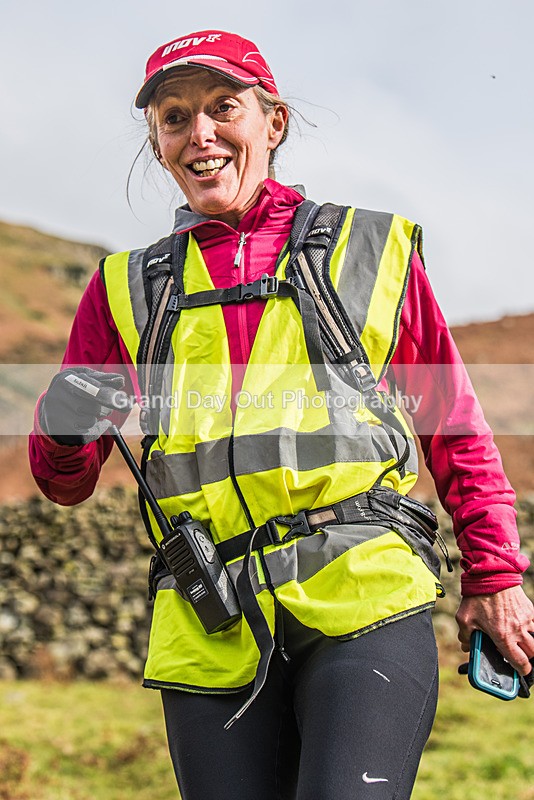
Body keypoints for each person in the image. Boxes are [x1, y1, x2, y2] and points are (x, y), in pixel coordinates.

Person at [29, 29, 534, 800]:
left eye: (222, 107)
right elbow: (65, 483)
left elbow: (454, 425)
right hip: (210, 620)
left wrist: (495, 576)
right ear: (159, 142)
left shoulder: (371, 248)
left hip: (362, 593)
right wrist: (61, 426)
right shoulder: (124, 288)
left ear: (274, 122)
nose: (199, 133)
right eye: (173, 117)